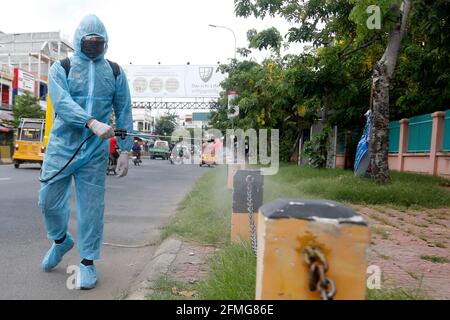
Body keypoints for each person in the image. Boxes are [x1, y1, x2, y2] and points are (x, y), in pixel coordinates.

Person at [38, 15, 133, 290]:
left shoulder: (114, 72)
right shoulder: (62, 67)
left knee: (92, 208)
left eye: (98, 43)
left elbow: (124, 109)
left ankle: (88, 262)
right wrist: (91, 122)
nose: (93, 47)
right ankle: (60, 240)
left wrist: (125, 150)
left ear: (105, 44)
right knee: (47, 200)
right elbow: (62, 103)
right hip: (62, 147)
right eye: (89, 43)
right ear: (80, 41)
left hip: (95, 152)